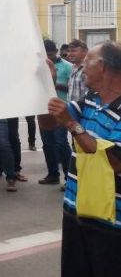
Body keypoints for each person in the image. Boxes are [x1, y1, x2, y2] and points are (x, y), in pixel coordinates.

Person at [47, 41, 121, 276]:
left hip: (110, 223)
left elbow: (113, 161)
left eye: (88, 61)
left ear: (104, 67)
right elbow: (48, 123)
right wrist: (46, 86)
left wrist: (70, 123)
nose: (82, 67)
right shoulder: (89, 100)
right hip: (75, 211)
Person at [39, 39, 73, 185]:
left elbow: (71, 89)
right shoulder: (40, 66)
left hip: (60, 110)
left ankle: (68, 177)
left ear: (56, 51)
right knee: (47, 144)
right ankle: (52, 174)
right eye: (46, 54)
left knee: (61, 143)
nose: (49, 56)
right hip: (43, 110)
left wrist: (54, 84)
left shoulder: (67, 67)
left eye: (51, 53)